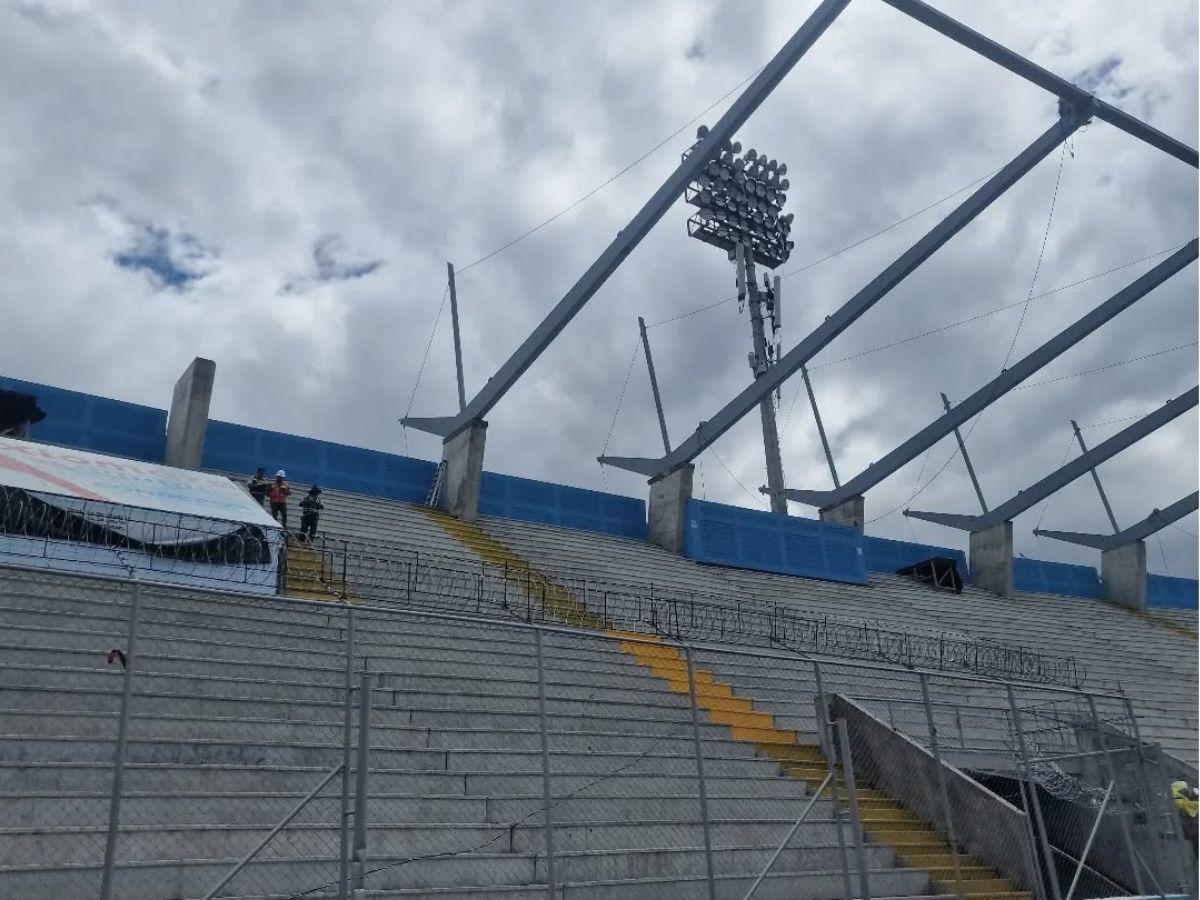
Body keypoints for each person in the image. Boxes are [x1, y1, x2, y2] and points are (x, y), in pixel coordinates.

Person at [1172, 780, 1198, 848]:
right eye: (1184, 790)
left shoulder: (1186, 801)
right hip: (1189, 831)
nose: (1187, 792)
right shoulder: (1180, 804)